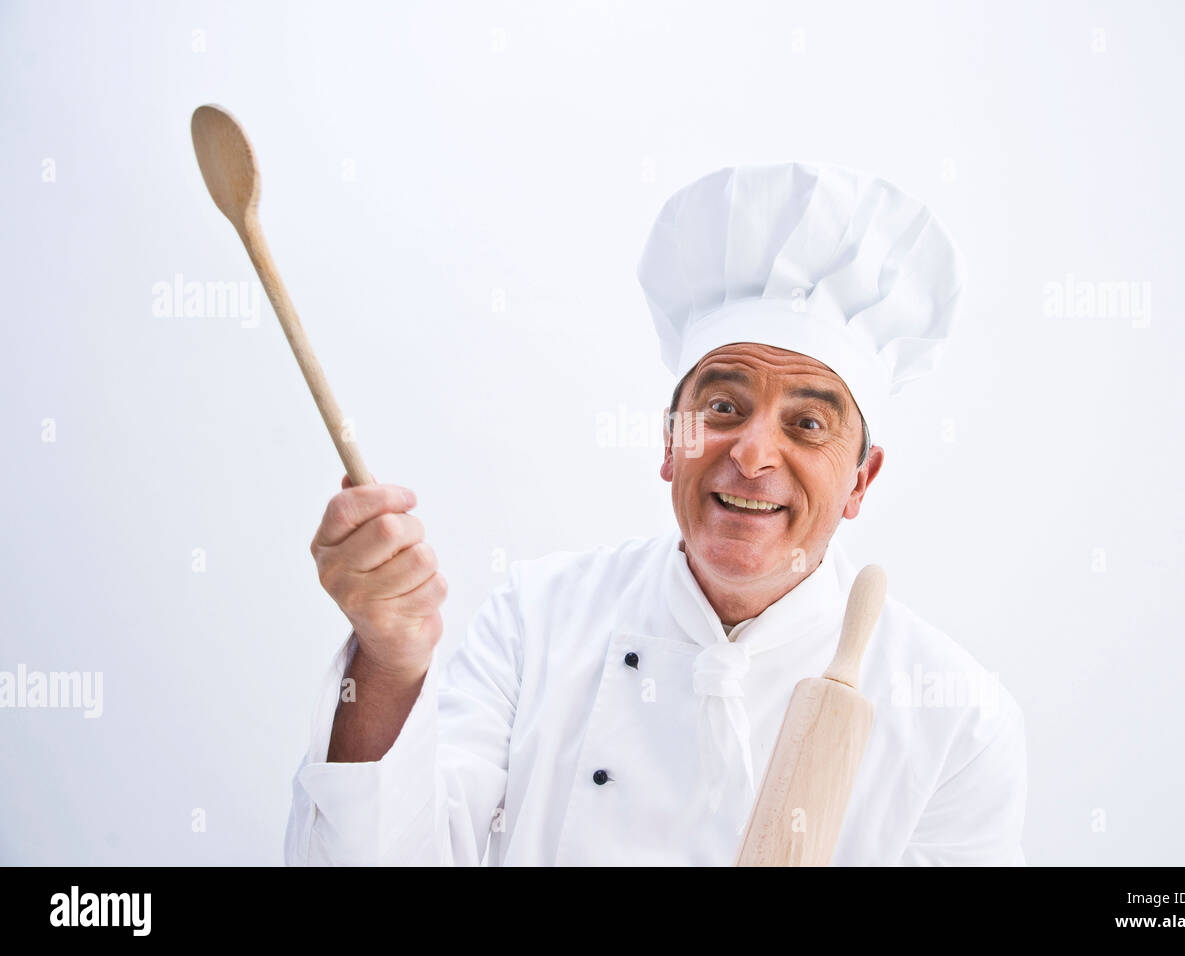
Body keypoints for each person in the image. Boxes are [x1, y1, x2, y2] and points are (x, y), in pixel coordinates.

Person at [284, 162, 1028, 865]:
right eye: (724, 407)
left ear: (861, 481)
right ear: (672, 443)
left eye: (806, 425)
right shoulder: (537, 622)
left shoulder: (956, 719)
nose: (753, 454)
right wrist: (388, 658)